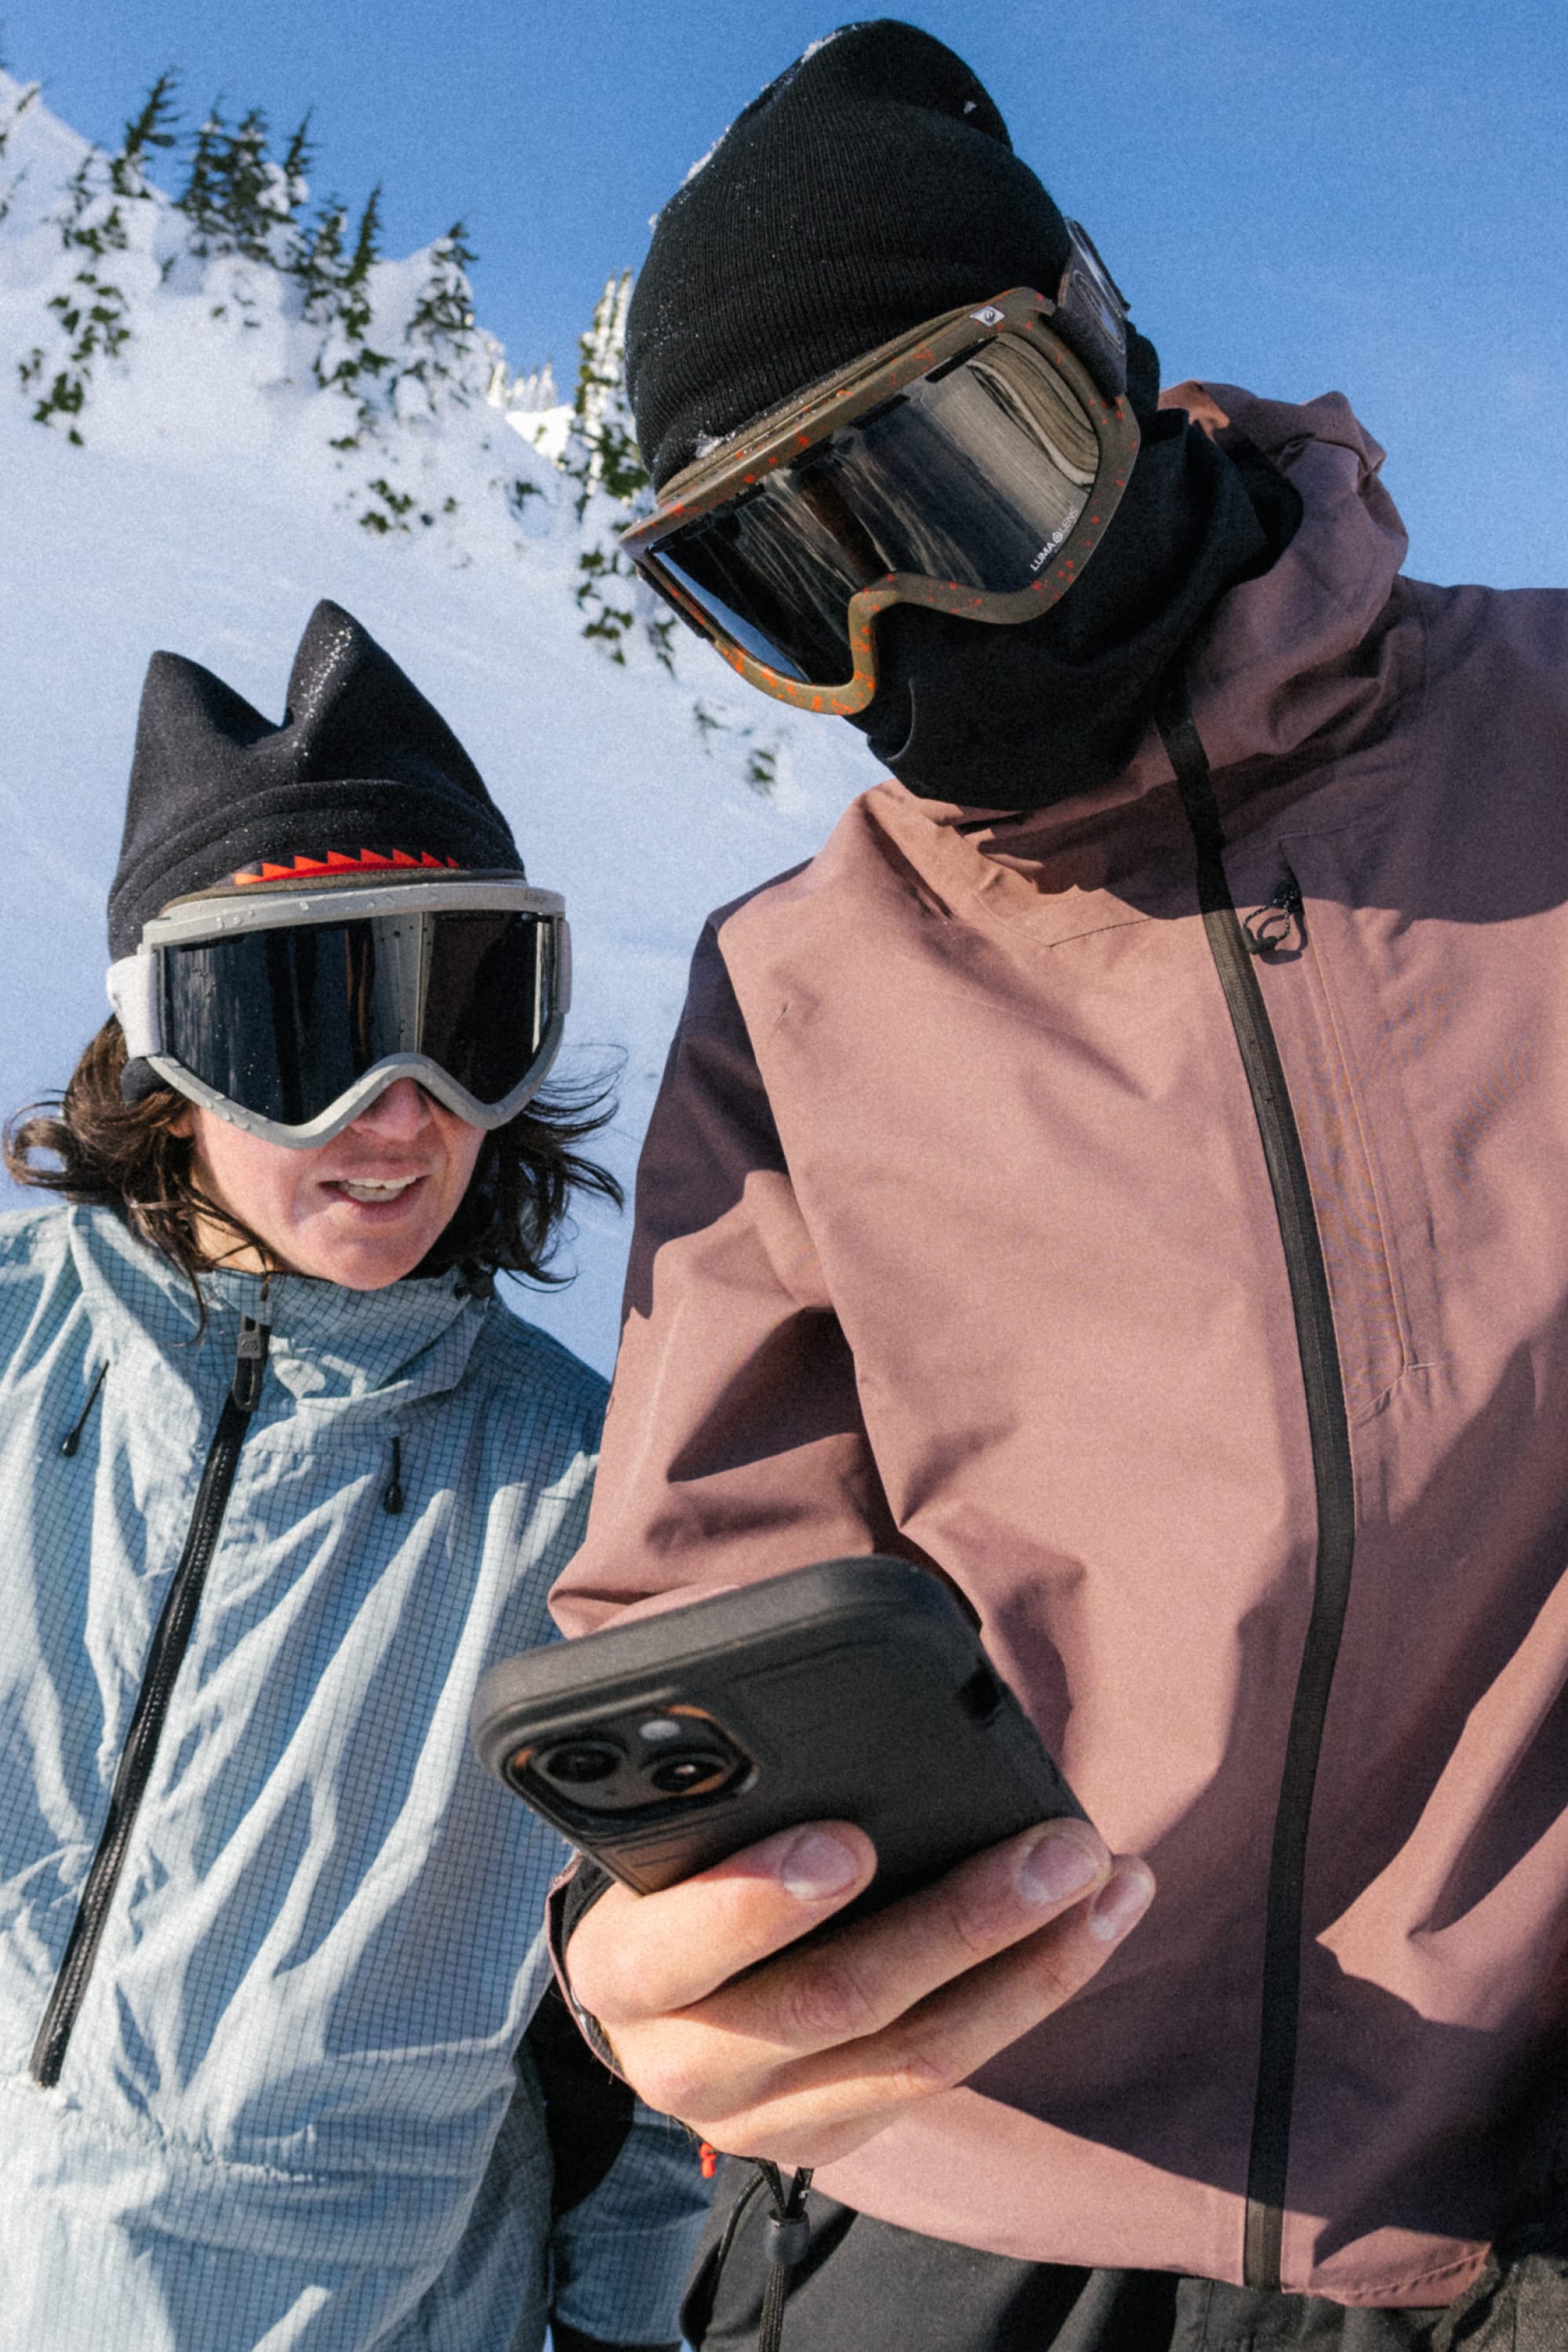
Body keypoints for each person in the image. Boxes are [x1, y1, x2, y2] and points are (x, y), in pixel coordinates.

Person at [546, 20, 1568, 2352]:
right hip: (979, 2209)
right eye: (784, 582)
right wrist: (673, 1954)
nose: (906, 631)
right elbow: (702, 1604)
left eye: (959, 475)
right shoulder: (804, 991)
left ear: (1107, 356)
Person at [0, 601, 708, 2350]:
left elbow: (657, 2039)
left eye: (462, 1019)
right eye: (305, 1027)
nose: (399, 1114)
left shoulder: (584, 1495)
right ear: (168, 1056)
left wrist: (624, 2332)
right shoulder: (14, 1352)